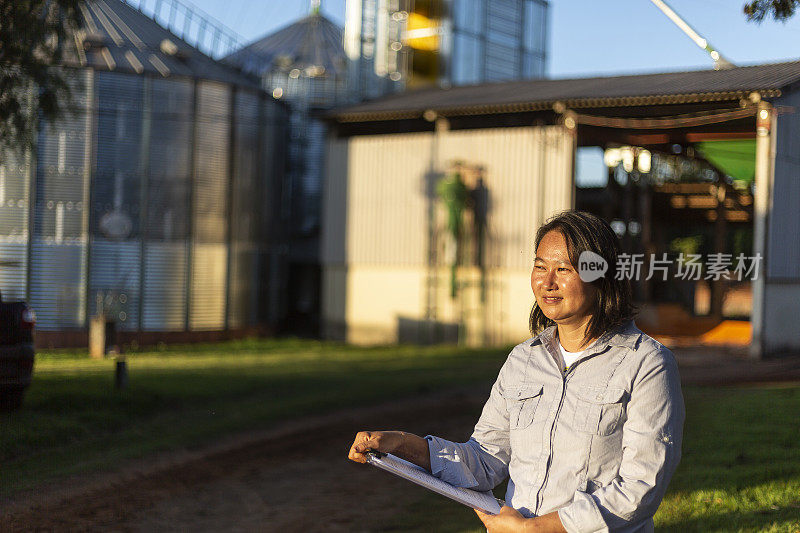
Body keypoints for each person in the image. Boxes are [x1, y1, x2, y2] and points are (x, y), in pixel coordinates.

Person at [348, 210, 685, 532]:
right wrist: (400, 443)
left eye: (564, 269)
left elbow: (640, 487)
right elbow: (483, 460)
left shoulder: (647, 364)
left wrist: (535, 529)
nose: (547, 282)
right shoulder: (523, 360)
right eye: (540, 266)